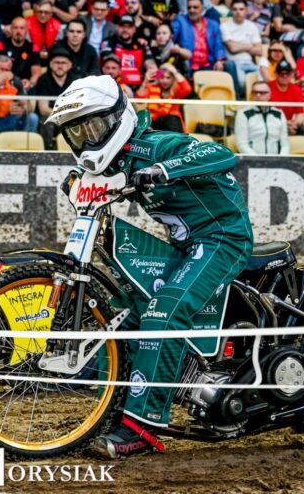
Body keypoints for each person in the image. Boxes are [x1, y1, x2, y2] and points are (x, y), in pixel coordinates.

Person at [46, 74, 252, 458]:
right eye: (76, 133)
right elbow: (90, 180)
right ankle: (120, 407)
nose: (87, 139)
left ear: (114, 118)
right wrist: (74, 179)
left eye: (92, 127)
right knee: (130, 312)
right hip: (185, 244)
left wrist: (164, 170)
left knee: (162, 315)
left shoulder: (158, 144)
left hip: (223, 238)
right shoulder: (116, 161)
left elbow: (223, 155)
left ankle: (144, 429)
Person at [31, 46, 81, 145]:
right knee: (47, 121)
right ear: (50, 64)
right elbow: (43, 109)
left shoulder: (76, 81)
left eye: (63, 63)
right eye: (57, 62)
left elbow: (78, 105)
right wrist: (62, 116)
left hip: (69, 118)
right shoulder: (43, 79)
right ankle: (47, 153)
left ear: (70, 65)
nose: (60, 66)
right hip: (51, 117)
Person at [172, 0, 226, 75]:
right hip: (188, 64)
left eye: (195, 7)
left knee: (230, 65)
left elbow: (218, 45)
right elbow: (171, 34)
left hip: (209, 64)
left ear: (202, 9)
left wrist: (219, 60)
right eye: (189, 8)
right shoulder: (181, 21)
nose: (192, 10)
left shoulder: (213, 24)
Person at [221, 0, 263, 99]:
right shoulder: (225, 26)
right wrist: (249, 46)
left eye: (241, 9)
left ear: (246, 10)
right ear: (231, 11)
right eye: (235, 9)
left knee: (264, 79)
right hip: (234, 63)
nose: (238, 12)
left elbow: (259, 50)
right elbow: (232, 48)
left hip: (250, 63)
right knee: (242, 82)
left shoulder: (251, 26)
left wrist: (238, 45)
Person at [235, 82, 290, 154]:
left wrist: (281, 160)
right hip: (252, 161)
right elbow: (242, 144)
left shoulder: (279, 114)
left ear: (270, 95)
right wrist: (257, 160)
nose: (258, 95)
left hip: (276, 161)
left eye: (262, 93)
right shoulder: (243, 114)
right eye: (255, 92)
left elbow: (285, 145)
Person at [136, 62, 191, 132]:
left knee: (172, 119)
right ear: (158, 78)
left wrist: (175, 71)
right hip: (155, 123)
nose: (165, 81)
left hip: (172, 125)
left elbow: (187, 89)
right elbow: (139, 100)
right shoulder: (152, 87)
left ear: (173, 79)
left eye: (168, 78)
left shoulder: (176, 90)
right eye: (162, 77)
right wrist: (145, 81)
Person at [269, 59, 304, 135]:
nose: (285, 76)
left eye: (287, 73)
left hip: (289, 124)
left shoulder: (297, 90)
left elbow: (300, 114)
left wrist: (294, 125)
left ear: (292, 75)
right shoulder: (268, 87)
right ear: (276, 74)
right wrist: (283, 124)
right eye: (281, 73)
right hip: (271, 123)